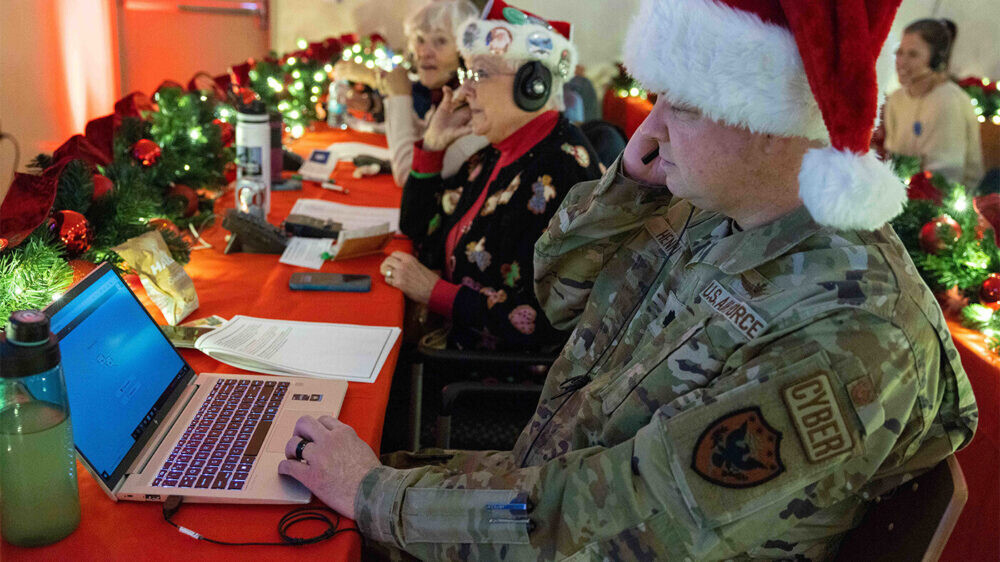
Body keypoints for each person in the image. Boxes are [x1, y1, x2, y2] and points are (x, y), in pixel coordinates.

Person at [278, 0, 978, 559]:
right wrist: (628, 187)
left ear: (771, 120)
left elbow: (608, 522)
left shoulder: (853, 328)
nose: (653, 126)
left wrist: (376, 494)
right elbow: (557, 294)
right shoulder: (709, 210)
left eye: (682, 104)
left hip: (567, 530)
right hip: (536, 488)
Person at [378, 2, 601, 352]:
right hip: (453, 348)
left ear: (533, 85)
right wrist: (432, 147)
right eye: (467, 74)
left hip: (487, 371)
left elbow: (546, 323)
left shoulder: (560, 169)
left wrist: (434, 292)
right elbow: (419, 228)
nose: (464, 90)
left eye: (479, 74)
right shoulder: (499, 149)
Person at [339, 0, 488, 187]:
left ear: (465, 51)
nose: (424, 52)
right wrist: (378, 103)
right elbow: (424, 140)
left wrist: (399, 96)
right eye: (420, 39)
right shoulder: (446, 94)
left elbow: (408, 175)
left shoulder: (474, 104)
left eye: (440, 41)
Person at [885, 19, 984, 187]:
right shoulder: (896, 99)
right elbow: (892, 161)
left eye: (913, 54)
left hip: (945, 197)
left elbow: (944, 180)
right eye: (900, 52)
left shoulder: (949, 101)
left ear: (935, 60)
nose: (901, 61)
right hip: (903, 192)